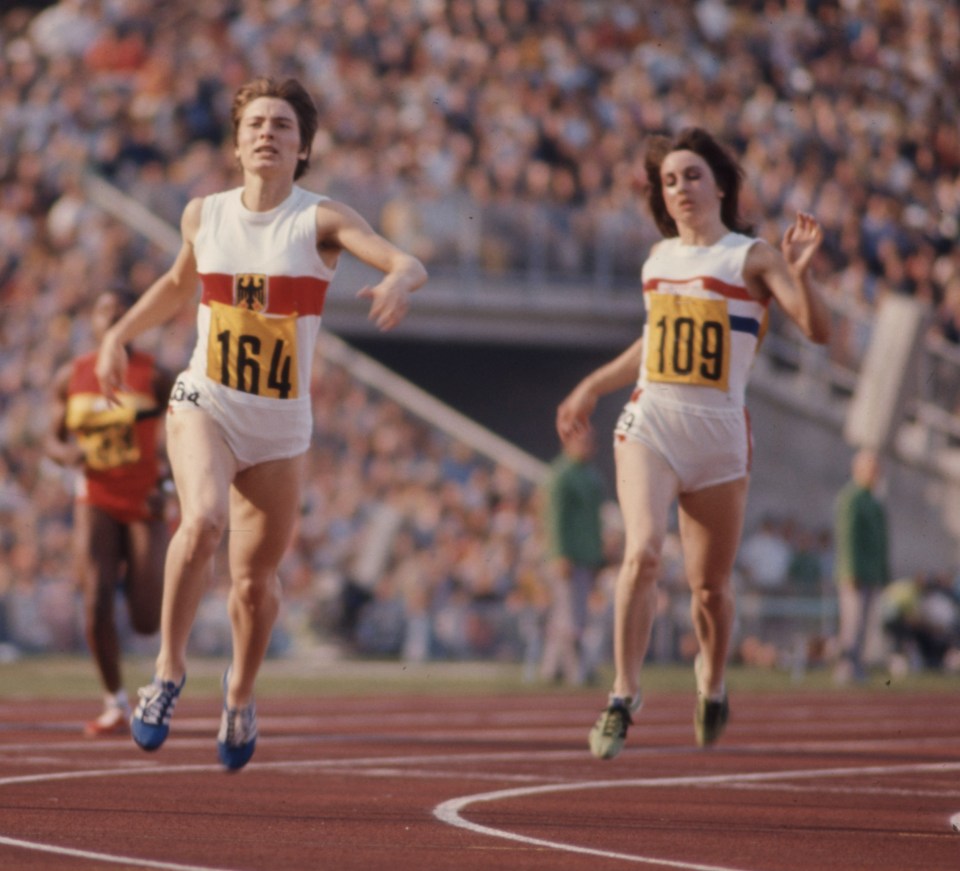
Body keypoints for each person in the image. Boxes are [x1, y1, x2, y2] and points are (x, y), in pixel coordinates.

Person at [95, 76, 427, 770]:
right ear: (237, 141)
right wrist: (119, 334)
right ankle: (166, 673)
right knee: (203, 520)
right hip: (206, 401)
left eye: (282, 124)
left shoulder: (320, 221)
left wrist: (398, 278)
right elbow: (179, 285)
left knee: (254, 582)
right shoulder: (202, 215)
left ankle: (240, 693)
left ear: (302, 146)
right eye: (255, 123)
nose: (267, 133)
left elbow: (405, 257)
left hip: (279, 428)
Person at [556, 127, 831, 760]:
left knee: (710, 589)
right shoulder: (658, 261)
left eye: (692, 176)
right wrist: (590, 386)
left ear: (721, 185)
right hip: (652, 423)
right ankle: (623, 695)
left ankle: (711, 680)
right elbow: (651, 345)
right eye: (669, 180)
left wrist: (801, 273)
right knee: (643, 551)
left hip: (720, 439)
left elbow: (816, 331)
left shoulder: (751, 256)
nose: (680, 188)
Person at [46, 289, 173, 737]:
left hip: (143, 499)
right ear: (93, 320)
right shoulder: (73, 374)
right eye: (105, 309)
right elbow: (52, 436)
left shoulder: (155, 375)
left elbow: (185, 433)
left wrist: (170, 483)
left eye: (123, 310)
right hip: (95, 496)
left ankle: (153, 676)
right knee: (96, 595)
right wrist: (67, 456)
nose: (114, 316)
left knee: (144, 618)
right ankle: (115, 702)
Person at [539, 425, 607, 685]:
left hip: (586, 555)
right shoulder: (562, 474)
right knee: (570, 617)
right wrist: (559, 553)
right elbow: (554, 518)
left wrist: (598, 553)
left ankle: (551, 670)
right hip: (568, 556)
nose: (588, 446)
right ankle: (575, 672)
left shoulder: (591, 475)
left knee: (567, 616)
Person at [833, 448, 890, 683]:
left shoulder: (874, 500)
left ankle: (857, 667)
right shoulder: (852, 498)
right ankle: (846, 668)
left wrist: (883, 573)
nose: (875, 473)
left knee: (865, 626)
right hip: (855, 574)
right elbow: (847, 538)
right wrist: (850, 571)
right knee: (852, 625)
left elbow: (881, 542)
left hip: (871, 573)